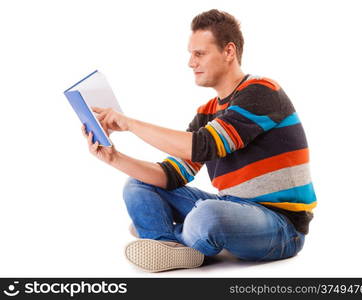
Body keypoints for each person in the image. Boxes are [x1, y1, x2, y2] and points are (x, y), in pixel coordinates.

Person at [81, 9, 317, 272]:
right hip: (232, 208)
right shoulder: (207, 111)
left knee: (208, 214)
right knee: (139, 185)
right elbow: (171, 175)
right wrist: (114, 157)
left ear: (229, 52)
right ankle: (174, 244)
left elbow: (205, 144)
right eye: (190, 54)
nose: (191, 63)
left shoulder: (262, 91)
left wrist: (129, 123)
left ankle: (168, 234)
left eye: (199, 54)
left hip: (281, 226)